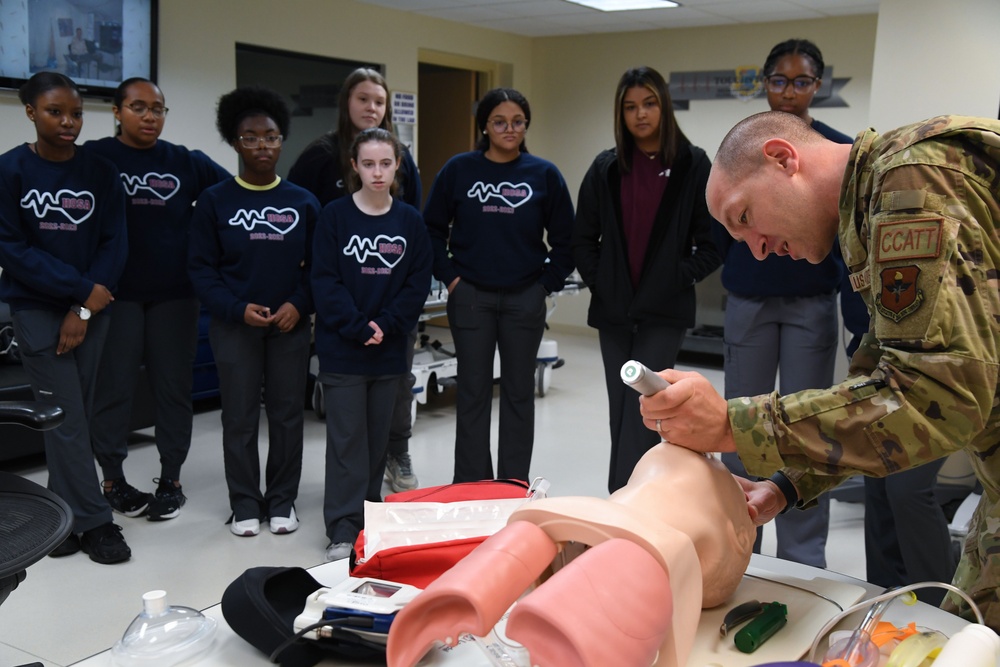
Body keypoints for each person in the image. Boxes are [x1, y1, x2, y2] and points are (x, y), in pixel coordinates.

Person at [640, 111, 1000, 628]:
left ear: (784, 159)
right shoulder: (874, 207)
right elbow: (883, 389)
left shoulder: (910, 184)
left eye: (745, 218)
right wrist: (788, 484)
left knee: (972, 643)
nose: (758, 249)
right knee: (970, 634)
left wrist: (732, 424)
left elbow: (937, 397)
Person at [715, 39, 852, 568]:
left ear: (817, 87)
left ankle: (800, 561)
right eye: (778, 80)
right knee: (739, 430)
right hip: (748, 301)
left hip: (809, 305)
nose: (789, 91)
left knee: (807, 429)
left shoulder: (833, 154)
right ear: (764, 84)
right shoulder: (739, 152)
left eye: (801, 81)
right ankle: (735, 549)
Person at [85, 77, 230, 522]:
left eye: (158, 109)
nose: (150, 117)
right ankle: (112, 479)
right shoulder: (95, 158)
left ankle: (171, 480)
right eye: (139, 107)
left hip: (174, 297)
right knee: (114, 391)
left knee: (173, 391)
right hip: (116, 297)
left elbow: (231, 199)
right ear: (117, 111)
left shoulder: (186, 161)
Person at [0, 71, 130, 563]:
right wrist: (78, 292)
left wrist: (83, 305)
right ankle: (97, 523)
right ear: (31, 112)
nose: (69, 121)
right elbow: (11, 249)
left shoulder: (99, 172)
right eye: (55, 112)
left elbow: (114, 242)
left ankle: (62, 518)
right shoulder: (9, 170)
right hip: (37, 310)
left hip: (92, 309)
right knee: (66, 418)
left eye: (76, 113)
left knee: (76, 417)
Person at [572, 66, 720, 494]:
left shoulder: (693, 165)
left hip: (663, 312)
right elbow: (582, 239)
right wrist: (604, 282)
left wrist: (675, 277)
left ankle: (630, 501)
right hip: (615, 311)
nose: (640, 115)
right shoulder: (606, 167)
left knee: (648, 410)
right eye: (630, 106)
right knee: (621, 410)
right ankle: (625, 498)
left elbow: (711, 244)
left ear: (664, 106)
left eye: (649, 104)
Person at [423, 87, 574, 484]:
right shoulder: (459, 170)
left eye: (518, 122)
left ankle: (511, 486)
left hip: (525, 297)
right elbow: (431, 230)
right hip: (471, 296)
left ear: (526, 126)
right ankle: (472, 488)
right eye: (499, 122)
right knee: (472, 393)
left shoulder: (543, 174)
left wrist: (544, 286)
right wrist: (452, 279)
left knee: (518, 396)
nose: (510, 129)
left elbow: (566, 239)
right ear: (484, 126)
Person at [189, 85, 319, 537]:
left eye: (271, 136)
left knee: (286, 416)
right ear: (234, 140)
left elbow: (320, 270)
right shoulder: (215, 202)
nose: (262, 146)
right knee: (240, 417)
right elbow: (201, 271)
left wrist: (297, 305)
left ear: (282, 140)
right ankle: (244, 503)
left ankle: (282, 501)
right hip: (234, 325)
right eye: (251, 137)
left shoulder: (303, 202)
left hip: (289, 325)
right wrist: (236, 308)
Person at [288, 67, 423, 494]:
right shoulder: (318, 156)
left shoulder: (403, 167)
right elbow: (300, 223)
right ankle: (345, 510)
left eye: (379, 102)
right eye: (363, 99)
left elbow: (414, 241)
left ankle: (393, 458)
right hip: (340, 308)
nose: (371, 108)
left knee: (392, 403)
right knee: (347, 426)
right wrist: (344, 316)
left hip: (390, 309)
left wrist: (390, 319)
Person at [311, 128, 432, 562]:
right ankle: (342, 526)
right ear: (354, 166)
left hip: (389, 348)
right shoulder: (334, 217)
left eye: (385, 163)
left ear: (397, 164)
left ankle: (370, 517)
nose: (377, 172)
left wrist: (386, 324)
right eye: (368, 164)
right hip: (344, 348)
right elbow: (324, 281)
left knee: (377, 440)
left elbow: (416, 283)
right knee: (346, 440)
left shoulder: (410, 222)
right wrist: (358, 325)